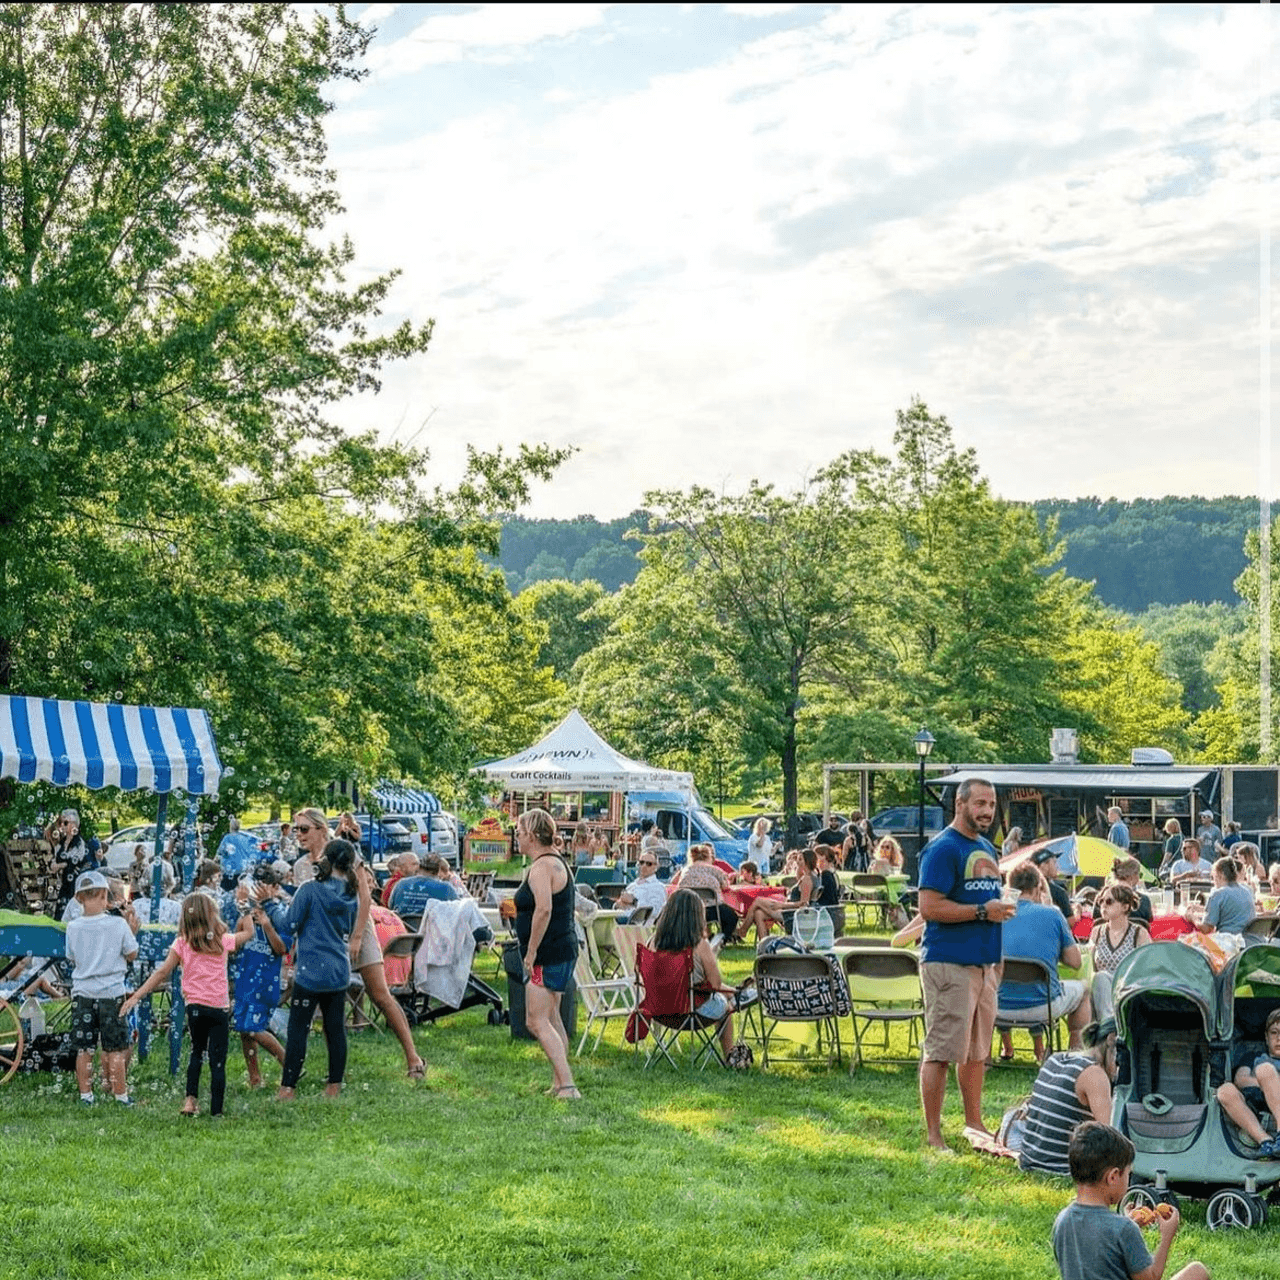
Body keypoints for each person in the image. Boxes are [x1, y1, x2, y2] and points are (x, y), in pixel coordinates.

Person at [291, 807, 426, 1079]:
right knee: (328, 1003)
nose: (299, 835)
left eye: (304, 829)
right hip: (323, 938)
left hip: (357, 927)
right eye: (296, 830)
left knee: (380, 994)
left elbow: (365, 896)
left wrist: (356, 937)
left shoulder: (344, 852)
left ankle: (414, 1058)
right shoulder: (301, 866)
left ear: (321, 829)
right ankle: (333, 1074)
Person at [917, 777, 1015, 1151]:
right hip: (949, 962)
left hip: (984, 964)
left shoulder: (986, 848)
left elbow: (986, 902)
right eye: (980, 803)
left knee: (977, 1053)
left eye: (991, 804)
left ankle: (974, 1124)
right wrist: (981, 911)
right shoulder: (942, 848)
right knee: (942, 1051)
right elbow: (929, 907)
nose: (987, 811)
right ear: (960, 804)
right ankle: (934, 1135)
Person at [122, 892, 255, 1116]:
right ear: (212, 915)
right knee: (218, 1060)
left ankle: (190, 1102)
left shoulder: (182, 943)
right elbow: (249, 932)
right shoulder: (222, 940)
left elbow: (163, 972)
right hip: (218, 1007)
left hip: (194, 1008)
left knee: (196, 1052)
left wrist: (137, 995)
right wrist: (244, 907)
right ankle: (216, 1111)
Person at [260, 835, 371, 1100]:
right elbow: (347, 926)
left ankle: (287, 1088)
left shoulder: (310, 889)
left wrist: (269, 904)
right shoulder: (351, 894)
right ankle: (334, 1086)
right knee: (335, 1029)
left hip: (310, 971)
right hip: (338, 970)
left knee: (299, 1029)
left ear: (326, 860)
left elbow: (288, 924)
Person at [1052, 1122, 1206, 1280]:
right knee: (1197, 1271)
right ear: (1113, 1177)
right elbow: (1150, 1277)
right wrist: (1167, 1236)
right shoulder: (1124, 1229)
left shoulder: (1062, 1220)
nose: (1129, 1180)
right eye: (1128, 1174)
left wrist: (1128, 1223)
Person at [513, 808, 580, 1100]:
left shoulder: (542, 867)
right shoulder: (556, 862)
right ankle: (559, 1083)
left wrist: (531, 952)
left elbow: (543, 909)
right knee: (552, 1019)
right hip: (562, 948)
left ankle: (568, 1085)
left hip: (548, 952)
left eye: (519, 832)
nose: (516, 837)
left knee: (535, 1020)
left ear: (531, 835)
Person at [999, 862, 1092, 1056]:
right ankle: (1075, 1052)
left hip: (997, 1006)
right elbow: (1075, 962)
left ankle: (988, 1058)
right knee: (1084, 989)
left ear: (1009, 887)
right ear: (1038, 888)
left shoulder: (997, 915)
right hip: (1043, 1005)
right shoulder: (1053, 914)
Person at [64, 870, 137, 1106]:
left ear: (79, 898)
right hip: (111, 994)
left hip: (82, 993)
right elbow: (132, 954)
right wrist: (131, 931)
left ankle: (86, 1096)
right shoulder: (118, 924)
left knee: (84, 1049)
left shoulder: (73, 927)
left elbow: (71, 957)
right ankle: (121, 1096)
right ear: (106, 896)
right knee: (115, 1048)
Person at [651, 888, 745, 1063]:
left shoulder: (654, 942)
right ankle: (730, 1055)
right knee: (726, 1005)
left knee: (724, 995)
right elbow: (715, 985)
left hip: (660, 1010)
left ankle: (735, 995)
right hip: (692, 1012)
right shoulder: (700, 945)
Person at [1018, 1018, 1119, 1175]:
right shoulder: (1094, 1074)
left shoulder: (1056, 1059)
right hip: (1062, 1167)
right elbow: (1113, 1138)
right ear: (1112, 1040)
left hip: (1030, 1160)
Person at [229, 869, 292, 1089]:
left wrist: (266, 924)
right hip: (245, 980)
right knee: (243, 1030)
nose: (256, 894)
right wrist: (243, 915)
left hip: (265, 983)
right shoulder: (247, 915)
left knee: (254, 1028)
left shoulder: (280, 916)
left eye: (261, 888)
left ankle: (290, 1065)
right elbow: (234, 946)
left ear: (274, 889)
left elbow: (281, 949)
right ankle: (255, 1078)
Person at [1216, 1007, 1280, 1158]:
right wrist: (1266, 1084)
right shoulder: (1254, 1057)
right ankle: (1265, 1141)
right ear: (1266, 1037)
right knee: (1224, 1090)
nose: (1279, 1038)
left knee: (1264, 1069)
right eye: (1274, 1032)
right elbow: (1241, 1080)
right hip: (1253, 1109)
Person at [1089, 884, 1151, 1019]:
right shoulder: (1097, 932)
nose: (1103, 906)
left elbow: (1147, 969)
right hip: (1102, 989)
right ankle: (1110, 1024)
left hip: (1129, 989)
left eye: (1109, 901)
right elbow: (1090, 967)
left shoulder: (1139, 933)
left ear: (1125, 907)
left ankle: (1109, 1025)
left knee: (1101, 978)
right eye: (1101, 901)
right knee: (1100, 977)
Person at [674, 843, 739, 941]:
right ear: (708, 856)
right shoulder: (715, 870)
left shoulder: (685, 871)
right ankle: (722, 939)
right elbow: (725, 886)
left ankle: (705, 936)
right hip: (712, 909)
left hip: (688, 908)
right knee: (732, 917)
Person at [1194, 856, 1255, 936]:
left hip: (1230, 941)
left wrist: (1192, 918)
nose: (1213, 882)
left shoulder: (1218, 894)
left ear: (1221, 875)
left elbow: (1206, 929)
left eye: (1214, 877)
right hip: (1252, 941)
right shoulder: (1247, 891)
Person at [49, 809, 93, 917]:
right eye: (61, 823)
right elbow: (55, 858)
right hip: (64, 884)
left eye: (65, 823)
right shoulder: (61, 842)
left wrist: (59, 865)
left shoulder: (79, 843)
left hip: (75, 885)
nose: (62, 826)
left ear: (74, 825)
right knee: (60, 915)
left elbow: (74, 862)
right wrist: (54, 864)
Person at [387, 853, 459, 917]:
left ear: (420, 867)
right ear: (438, 871)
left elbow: (390, 906)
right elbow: (458, 911)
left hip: (404, 927)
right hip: (434, 927)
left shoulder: (401, 884)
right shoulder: (446, 888)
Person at [615, 849, 668, 922]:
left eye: (649, 864)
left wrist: (634, 901)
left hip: (638, 924)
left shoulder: (658, 887)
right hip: (620, 920)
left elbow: (656, 911)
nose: (644, 866)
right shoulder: (632, 885)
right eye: (641, 862)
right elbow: (619, 906)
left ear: (656, 867)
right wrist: (617, 905)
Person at [1030, 847, 1076, 924]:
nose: (1057, 866)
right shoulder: (1058, 892)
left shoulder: (1024, 889)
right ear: (1044, 865)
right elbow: (1071, 923)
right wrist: (1078, 912)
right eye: (1054, 863)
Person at [216, 817, 260, 891]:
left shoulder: (227, 838)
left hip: (229, 871)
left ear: (230, 827)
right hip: (243, 870)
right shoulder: (245, 838)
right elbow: (251, 853)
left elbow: (221, 852)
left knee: (227, 892)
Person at [1110, 856, 1153, 927]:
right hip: (1137, 934)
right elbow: (1149, 925)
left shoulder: (1102, 898)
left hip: (1108, 933)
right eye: (1139, 875)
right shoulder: (1143, 900)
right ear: (1132, 877)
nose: (1139, 878)